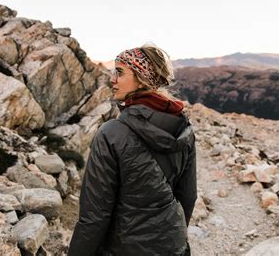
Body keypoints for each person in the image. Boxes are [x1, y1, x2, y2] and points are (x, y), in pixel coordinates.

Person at [68, 43, 197, 256]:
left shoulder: (111, 133)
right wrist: (174, 236)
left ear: (141, 78)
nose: (112, 79)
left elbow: (95, 216)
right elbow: (188, 196)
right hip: (175, 247)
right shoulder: (184, 130)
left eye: (119, 72)